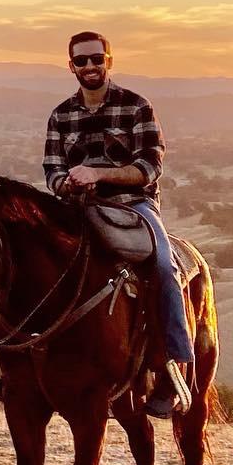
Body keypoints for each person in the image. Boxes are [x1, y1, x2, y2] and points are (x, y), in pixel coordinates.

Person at [43, 30, 193, 416]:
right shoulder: (61, 115)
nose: (89, 66)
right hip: (77, 208)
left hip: (133, 206)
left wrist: (98, 174)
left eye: (96, 59)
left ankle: (171, 365)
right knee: (33, 259)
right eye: (81, 60)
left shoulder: (136, 106)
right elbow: (52, 172)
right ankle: (13, 359)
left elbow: (149, 167)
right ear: (70, 65)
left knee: (163, 266)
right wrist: (68, 182)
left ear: (109, 60)